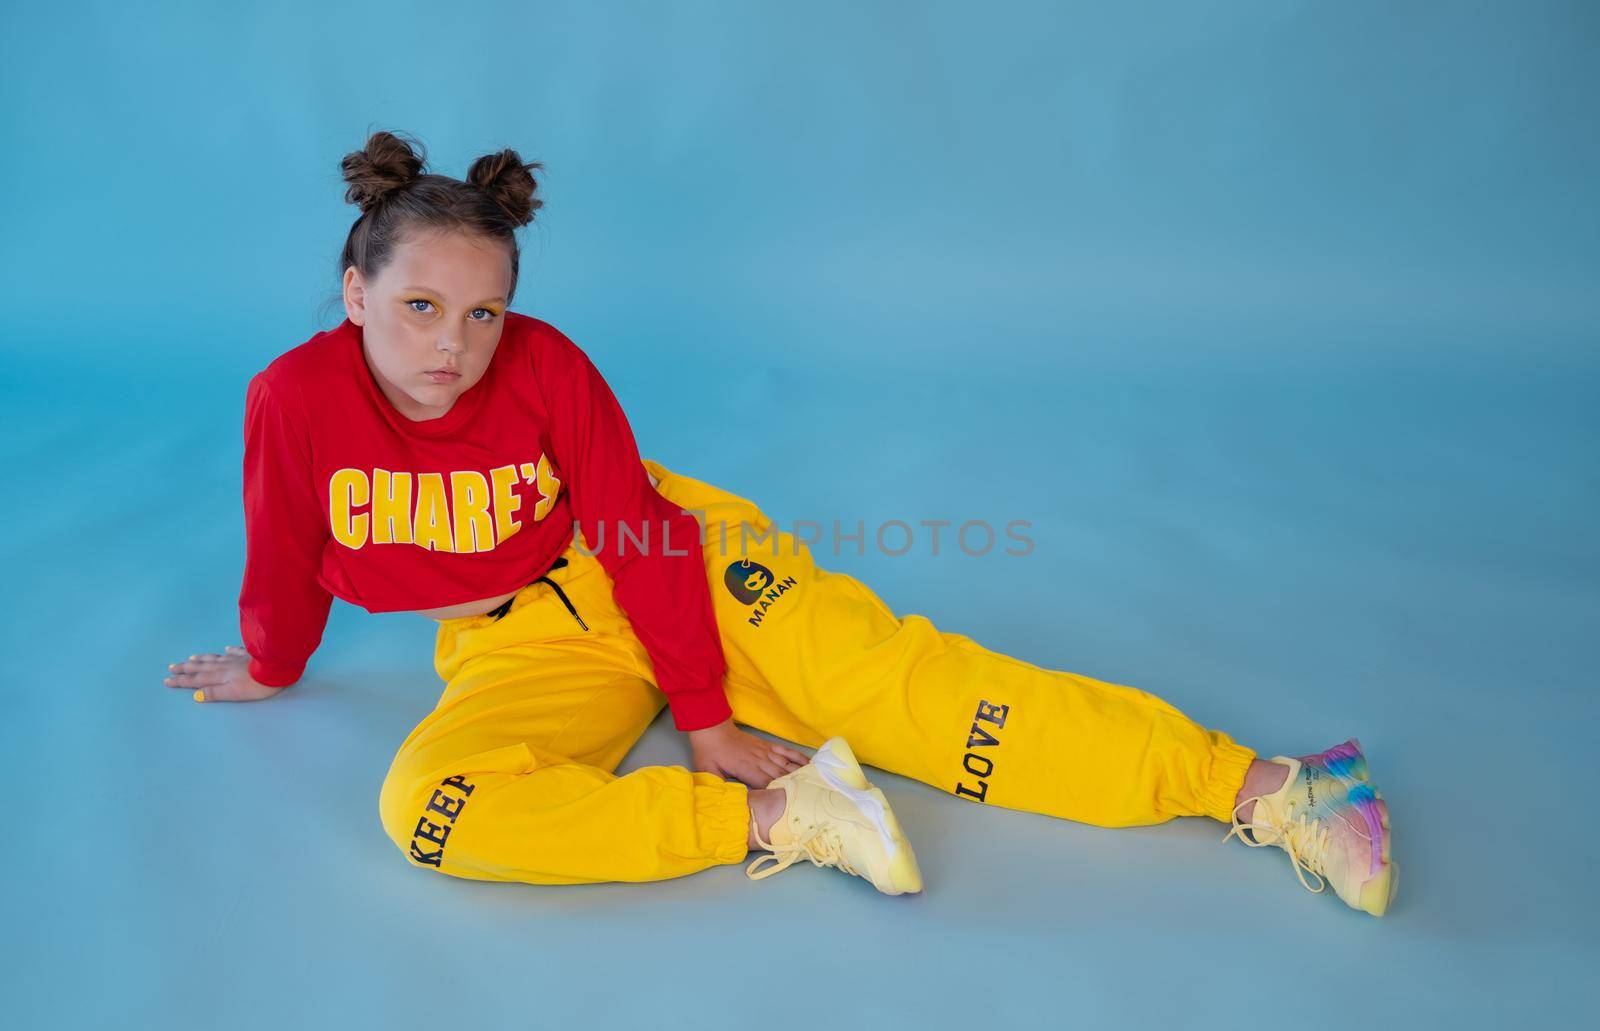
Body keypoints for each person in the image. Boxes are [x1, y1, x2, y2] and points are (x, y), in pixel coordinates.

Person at [163, 130, 1398, 915]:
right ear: (354, 290)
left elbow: (639, 532)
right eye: (422, 304)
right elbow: (283, 549)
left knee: (908, 697)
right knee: (426, 807)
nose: (452, 344)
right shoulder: (294, 398)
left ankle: (1278, 786)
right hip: (516, 639)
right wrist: (271, 662)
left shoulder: (548, 368)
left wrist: (701, 715)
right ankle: (790, 815)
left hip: (656, 557)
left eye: (482, 314)